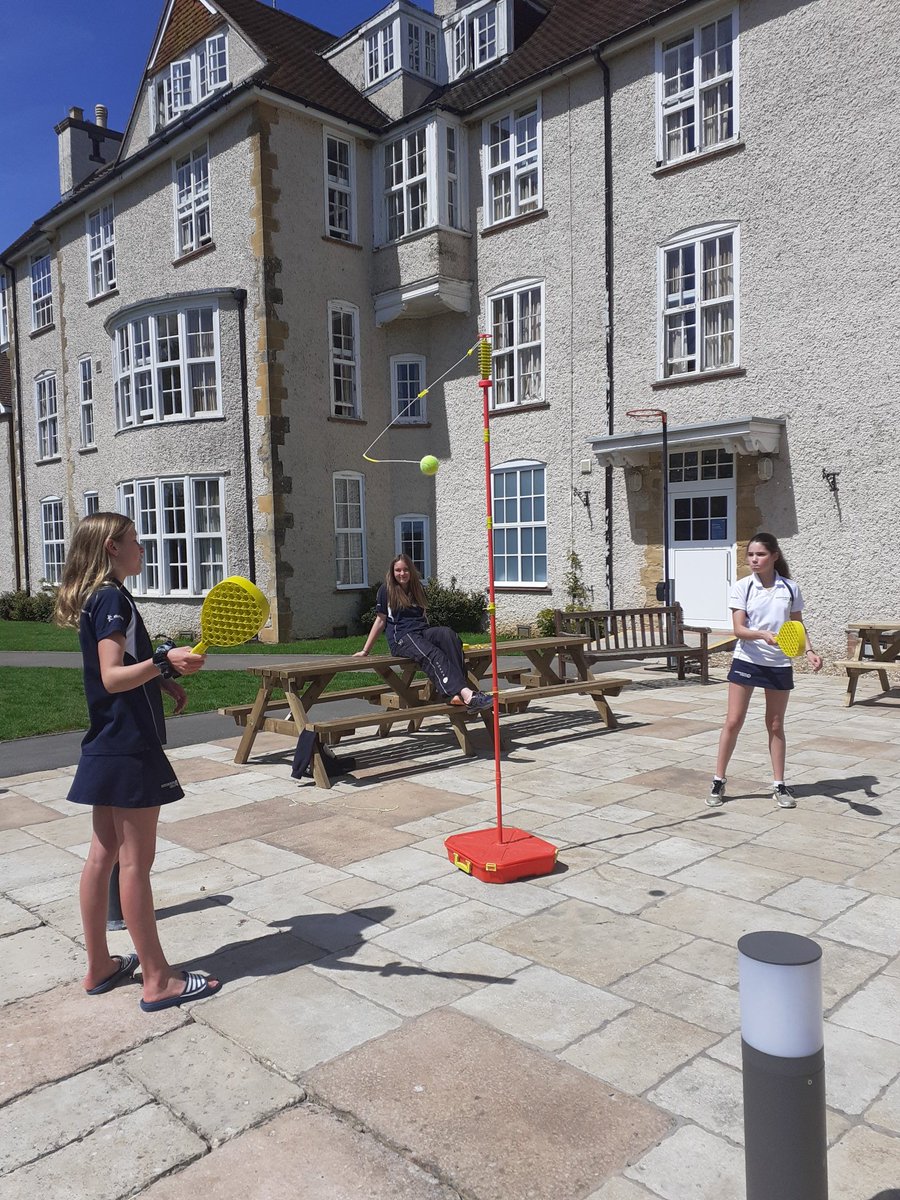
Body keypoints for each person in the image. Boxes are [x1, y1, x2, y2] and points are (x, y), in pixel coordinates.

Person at [55, 512, 221, 1011]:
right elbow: (111, 676)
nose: (142, 547)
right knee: (134, 863)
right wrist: (165, 661)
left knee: (102, 855)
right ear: (112, 546)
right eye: (135, 540)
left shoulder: (98, 596)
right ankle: (157, 980)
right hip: (129, 746)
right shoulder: (112, 598)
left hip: (107, 741)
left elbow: (121, 668)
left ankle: (99, 967)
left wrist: (160, 679)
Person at [708, 532, 822, 809]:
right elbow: (738, 630)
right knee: (733, 721)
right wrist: (762, 635)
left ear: (774, 556)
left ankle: (779, 785)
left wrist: (809, 650)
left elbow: (798, 625)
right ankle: (718, 780)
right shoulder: (743, 587)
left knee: (775, 724)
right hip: (747, 660)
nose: (754, 559)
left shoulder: (790, 589)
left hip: (779, 663)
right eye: (750, 555)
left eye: (760, 554)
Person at [355, 554, 492, 711]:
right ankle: (468, 695)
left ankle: (456, 694)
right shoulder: (386, 590)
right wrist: (365, 651)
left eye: (406, 570)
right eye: (398, 570)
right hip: (402, 638)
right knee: (433, 654)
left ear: (411, 571)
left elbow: (423, 615)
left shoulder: (417, 588)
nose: (402, 573)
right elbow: (380, 620)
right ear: (392, 572)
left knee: (447, 635)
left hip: (420, 632)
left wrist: (432, 638)